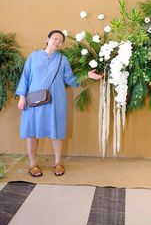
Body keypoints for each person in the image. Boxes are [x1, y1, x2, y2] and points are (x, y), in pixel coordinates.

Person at [16, 30, 101, 177]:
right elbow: (25, 77)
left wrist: (86, 75)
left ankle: (58, 163)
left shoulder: (63, 60)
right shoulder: (33, 56)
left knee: (57, 132)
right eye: (55, 38)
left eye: (61, 41)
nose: (57, 42)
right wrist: (22, 97)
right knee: (32, 132)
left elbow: (70, 80)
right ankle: (32, 164)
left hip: (56, 101)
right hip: (33, 101)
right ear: (47, 39)